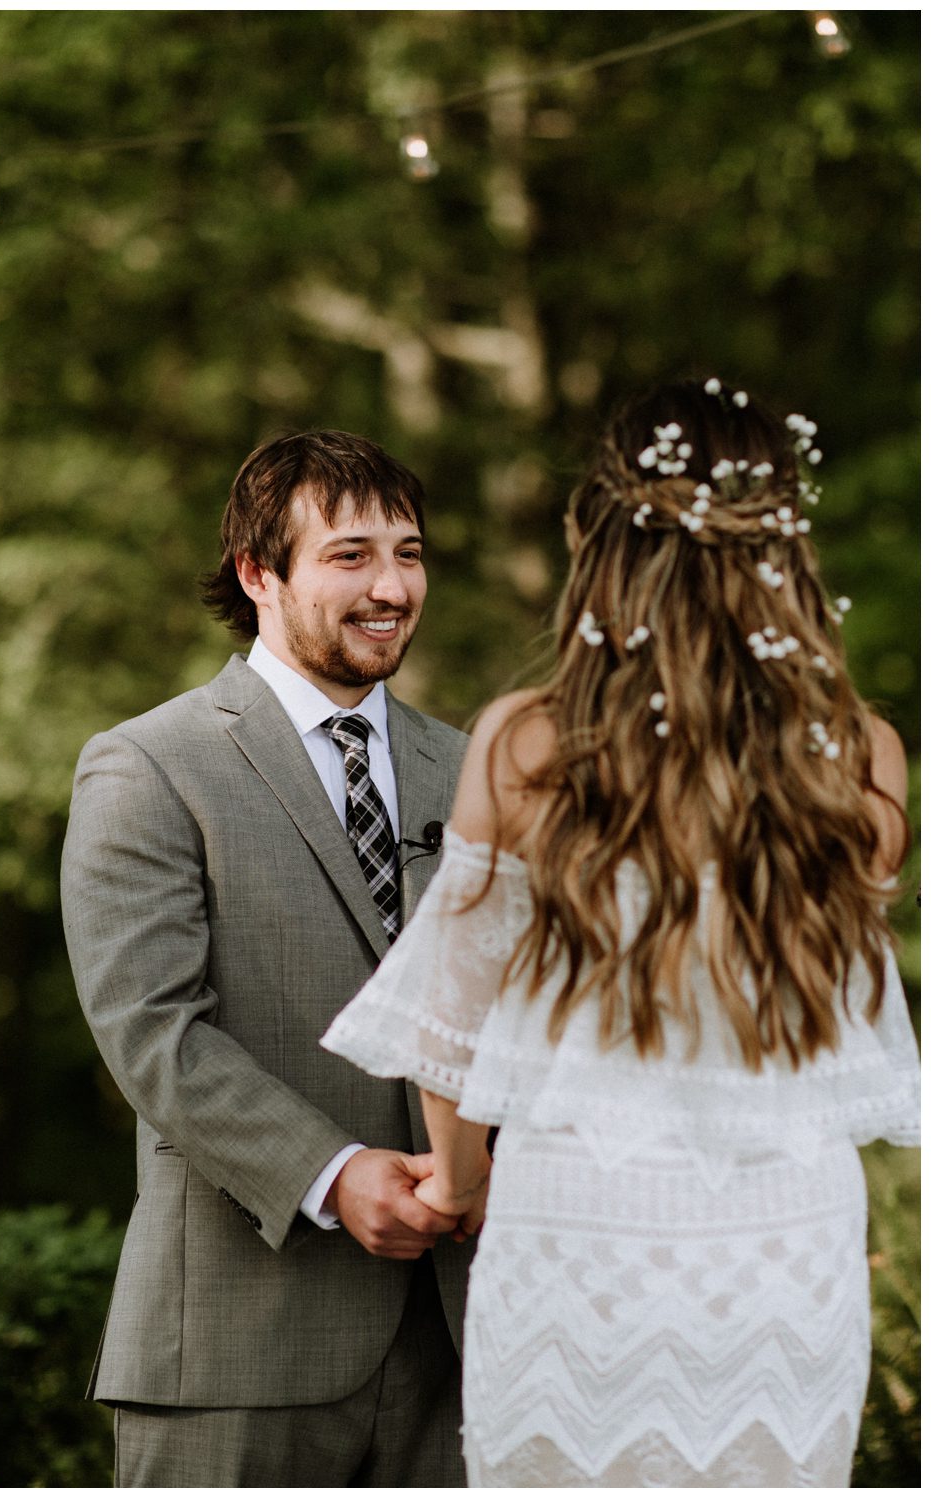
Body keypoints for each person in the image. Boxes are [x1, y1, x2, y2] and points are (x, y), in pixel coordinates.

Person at [323, 378, 919, 1485]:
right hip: (782, 1240)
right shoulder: (860, 756)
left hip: (576, 1229)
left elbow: (448, 1027)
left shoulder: (526, 745)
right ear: (780, 545)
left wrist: (455, 1185)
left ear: (598, 543)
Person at [61, 430, 473, 1486]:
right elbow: (153, 1036)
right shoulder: (150, 764)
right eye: (348, 555)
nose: (390, 586)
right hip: (237, 1348)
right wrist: (335, 1176)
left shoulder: (471, 768)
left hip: (465, 1347)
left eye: (408, 552)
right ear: (257, 573)